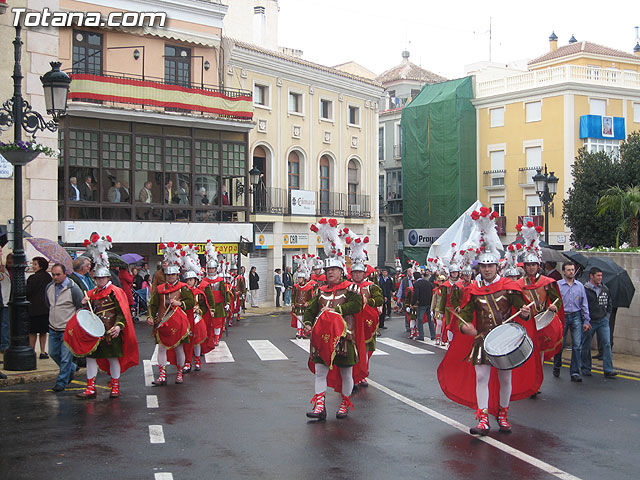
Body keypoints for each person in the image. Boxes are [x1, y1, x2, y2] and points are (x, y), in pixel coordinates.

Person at [437, 206, 539, 436]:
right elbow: (463, 313)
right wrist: (465, 326)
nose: (487, 269)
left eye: (490, 265)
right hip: (482, 340)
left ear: (497, 266)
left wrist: (524, 313)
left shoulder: (509, 286)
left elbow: (525, 310)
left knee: (505, 378)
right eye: (483, 266)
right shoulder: (473, 289)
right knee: (481, 376)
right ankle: (482, 417)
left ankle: (502, 414)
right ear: (479, 268)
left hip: (505, 339)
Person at [305, 218, 363, 420]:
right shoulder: (319, 292)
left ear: (341, 271)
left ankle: (345, 403)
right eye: (328, 270)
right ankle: (319, 406)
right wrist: (307, 323)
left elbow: (357, 305)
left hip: (344, 338)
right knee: (320, 372)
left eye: (333, 270)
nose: (330, 273)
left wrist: (338, 310)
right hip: (323, 340)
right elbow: (311, 311)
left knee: (346, 374)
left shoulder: (351, 288)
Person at [74, 234, 138, 399]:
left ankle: (115, 387)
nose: (99, 280)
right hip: (95, 332)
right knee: (91, 359)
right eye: (97, 278)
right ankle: (90, 388)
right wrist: (84, 303)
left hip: (111, 332)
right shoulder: (91, 293)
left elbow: (122, 313)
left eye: (102, 278)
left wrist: (118, 326)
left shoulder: (116, 292)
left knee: (113, 359)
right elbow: (87, 312)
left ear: (108, 278)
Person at [147, 243, 192, 386]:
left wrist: (180, 304)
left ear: (177, 275)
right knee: (161, 348)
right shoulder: (160, 289)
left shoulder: (184, 288)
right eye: (168, 275)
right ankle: (162, 375)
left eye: (173, 275)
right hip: (162, 322)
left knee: (179, 348)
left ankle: (179, 373)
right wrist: (150, 316)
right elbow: (153, 304)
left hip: (178, 323)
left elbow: (191, 302)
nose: (171, 277)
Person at [347, 232, 383, 388]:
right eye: (354, 272)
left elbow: (380, 300)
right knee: (351, 351)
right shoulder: (347, 287)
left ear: (364, 273)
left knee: (367, 350)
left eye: (359, 272)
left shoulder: (371, 287)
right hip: (352, 325)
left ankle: (363, 373)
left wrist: (369, 301)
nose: (357, 275)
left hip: (368, 325)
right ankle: (352, 376)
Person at [44, 263, 83, 392]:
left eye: (58, 274)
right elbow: (48, 304)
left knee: (66, 357)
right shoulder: (49, 287)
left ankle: (61, 383)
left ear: (65, 274)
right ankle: (72, 368)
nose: (55, 277)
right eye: (53, 274)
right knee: (53, 353)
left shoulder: (73, 289)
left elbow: (80, 307)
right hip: (53, 327)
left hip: (68, 329)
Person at [553, 262, 591, 382]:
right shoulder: (558, 285)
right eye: (568, 270)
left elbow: (584, 304)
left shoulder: (580, 286)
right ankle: (557, 365)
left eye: (572, 270)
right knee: (560, 344)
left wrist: (586, 320)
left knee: (577, 345)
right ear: (563, 272)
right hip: (562, 316)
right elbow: (554, 302)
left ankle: (575, 372)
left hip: (576, 316)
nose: (571, 272)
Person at [581, 267, 618, 378]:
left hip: (602, 320)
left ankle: (608, 369)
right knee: (586, 345)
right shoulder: (585, 289)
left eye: (601, 276)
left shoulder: (605, 289)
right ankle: (586, 368)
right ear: (591, 276)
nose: (600, 278)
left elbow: (609, 303)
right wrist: (585, 320)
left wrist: (606, 316)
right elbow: (582, 305)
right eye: (598, 275)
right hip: (590, 321)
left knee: (606, 344)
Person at [199, 241, 229, 347]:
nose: (211, 270)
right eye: (210, 268)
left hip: (219, 304)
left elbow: (225, 292)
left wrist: (227, 302)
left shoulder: (220, 280)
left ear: (216, 269)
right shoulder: (204, 280)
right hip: (208, 305)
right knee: (208, 322)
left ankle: (216, 338)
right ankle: (208, 337)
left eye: (213, 268)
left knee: (217, 323)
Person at [26, 256, 52, 359]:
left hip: (34, 308)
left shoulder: (33, 278)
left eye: (35, 264)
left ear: (41, 265)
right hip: (45, 308)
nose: (33, 266)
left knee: (32, 331)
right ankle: (42, 351)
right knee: (43, 331)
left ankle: (32, 351)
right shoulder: (48, 277)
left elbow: (27, 292)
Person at [291, 255, 314, 339]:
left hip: (305, 306)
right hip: (297, 305)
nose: (299, 280)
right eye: (298, 278)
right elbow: (293, 295)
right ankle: (299, 331)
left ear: (304, 279)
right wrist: (293, 303)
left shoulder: (309, 287)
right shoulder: (296, 286)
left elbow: (311, 298)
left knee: (304, 318)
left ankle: (304, 331)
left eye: (301, 278)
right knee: (298, 318)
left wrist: (308, 303)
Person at [412, 270, 434, 341]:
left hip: (422, 303)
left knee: (420, 319)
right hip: (429, 303)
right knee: (430, 319)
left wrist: (413, 303)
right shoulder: (428, 283)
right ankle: (433, 335)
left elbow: (416, 295)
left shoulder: (416, 284)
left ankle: (421, 335)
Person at [0, 256, 11, 353]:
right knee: (4, 324)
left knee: (6, 324)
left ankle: (6, 343)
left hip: (10, 300)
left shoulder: (17, 271)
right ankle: (4, 345)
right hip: (4, 300)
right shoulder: (3, 271)